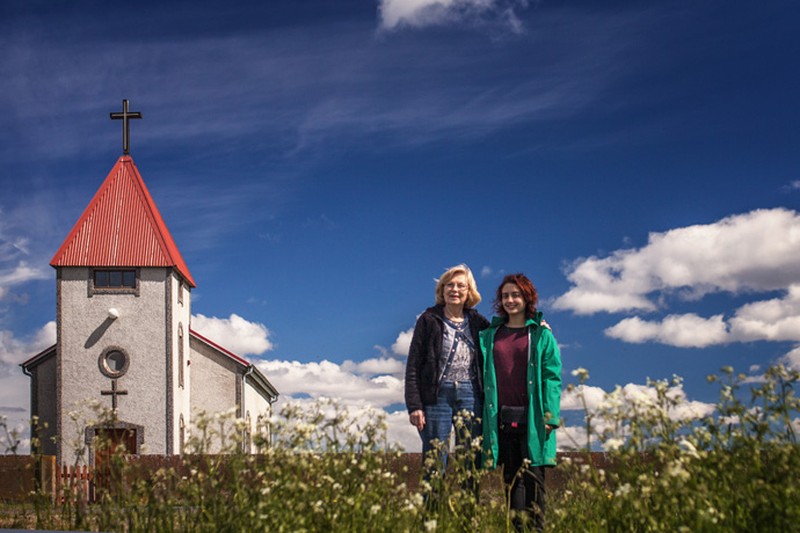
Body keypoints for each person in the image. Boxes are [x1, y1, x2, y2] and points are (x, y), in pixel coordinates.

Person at [481, 273, 562, 532]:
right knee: (512, 483)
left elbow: (552, 377)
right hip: (502, 420)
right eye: (505, 296)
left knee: (534, 483)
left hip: (534, 419)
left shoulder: (541, 335)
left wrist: (550, 416)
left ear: (527, 298)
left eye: (516, 295)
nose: (510, 300)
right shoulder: (490, 336)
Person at [404, 264, 489, 478]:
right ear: (442, 290)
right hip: (436, 397)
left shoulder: (479, 322)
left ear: (469, 292)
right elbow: (414, 364)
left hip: (470, 396)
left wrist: (537, 323)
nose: (455, 289)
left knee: (469, 460)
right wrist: (415, 405)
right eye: (449, 285)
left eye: (461, 285)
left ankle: (467, 511)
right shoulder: (428, 320)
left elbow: (506, 331)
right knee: (434, 462)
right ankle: (432, 512)